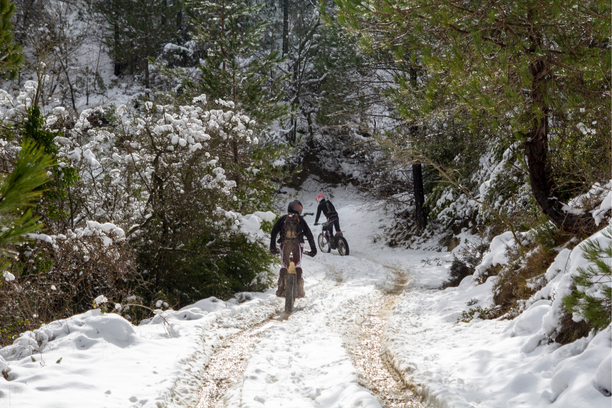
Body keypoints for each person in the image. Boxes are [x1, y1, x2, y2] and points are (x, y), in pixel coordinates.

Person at [270, 200, 316, 298]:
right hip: (297, 244)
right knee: (298, 265)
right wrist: (313, 249)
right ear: (299, 209)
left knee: (284, 265)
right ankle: (300, 289)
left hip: (284, 244)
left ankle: (280, 288)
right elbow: (309, 234)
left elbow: (273, 232)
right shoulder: (300, 219)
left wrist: (272, 247)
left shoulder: (283, 218)